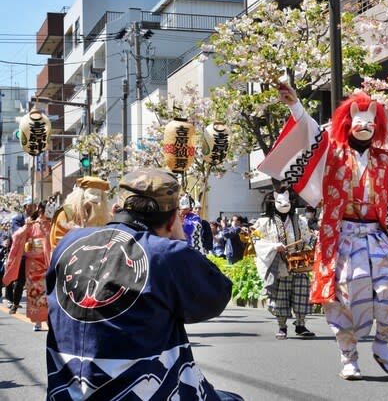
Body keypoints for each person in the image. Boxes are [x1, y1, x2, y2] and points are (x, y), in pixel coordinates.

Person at [258, 84, 388, 380]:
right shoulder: (332, 152)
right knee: (346, 295)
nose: (365, 127)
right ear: (347, 125)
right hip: (342, 235)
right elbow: (310, 132)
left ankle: (383, 343)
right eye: (358, 122)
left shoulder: (387, 158)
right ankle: (349, 356)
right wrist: (295, 105)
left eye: (370, 123)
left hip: (376, 235)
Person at [45, 169, 243, 401]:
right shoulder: (166, 254)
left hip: (65, 393)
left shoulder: (68, 243)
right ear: (172, 220)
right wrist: (179, 241)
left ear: (116, 209)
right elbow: (216, 296)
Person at [253, 187, 316, 340]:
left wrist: (309, 245)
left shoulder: (300, 221)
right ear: (273, 203)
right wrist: (273, 246)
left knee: (302, 294)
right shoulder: (264, 222)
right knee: (281, 297)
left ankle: (301, 325)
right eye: (280, 202)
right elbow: (255, 240)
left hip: (299, 263)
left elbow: (308, 238)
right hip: (280, 263)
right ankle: (282, 326)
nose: (284, 205)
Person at [3, 201, 52, 330]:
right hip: (32, 263)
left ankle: (47, 318)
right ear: (39, 211)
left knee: (47, 291)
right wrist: (26, 227)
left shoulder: (51, 224)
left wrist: (46, 233)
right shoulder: (31, 223)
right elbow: (17, 236)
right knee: (34, 291)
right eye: (41, 210)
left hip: (46, 261)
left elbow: (54, 240)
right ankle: (37, 320)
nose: (42, 213)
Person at [49, 176, 111, 249]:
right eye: (92, 193)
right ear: (81, 194)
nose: (96, 197)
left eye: (98, 194)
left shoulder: (106, 216)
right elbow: (59, 242)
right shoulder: (67, 213)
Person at [4, 197, 37, 314]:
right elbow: (16, 234)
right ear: (25, 207)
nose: (33, 207)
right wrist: (27, 225)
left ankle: (37, 307)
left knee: (38, 281)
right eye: (30, 205)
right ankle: (15, 303)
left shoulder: (38, 219)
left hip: (37, 253)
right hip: (22, 253)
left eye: (34, 205)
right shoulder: (18, 219)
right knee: (20, 280)